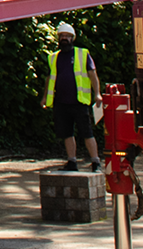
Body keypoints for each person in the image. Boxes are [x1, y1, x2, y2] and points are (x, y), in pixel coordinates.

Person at [43, 21, 101, 172]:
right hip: (61, 102)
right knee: (67, 133)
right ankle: (72, 161)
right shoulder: (53, 57)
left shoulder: (82, 54)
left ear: (72, 38)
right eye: (62, 36)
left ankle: (96, 162)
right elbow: (49, 78)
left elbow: (92, 75)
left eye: (67, 36)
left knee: (86, 132)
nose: (64, 38)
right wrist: (44, 97)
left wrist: (98, 94)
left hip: (79, 101)